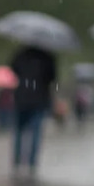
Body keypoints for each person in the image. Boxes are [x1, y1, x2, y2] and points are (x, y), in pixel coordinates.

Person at [10, 44, 57, 172]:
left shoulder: (21, 54)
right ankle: (32, 162)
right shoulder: (48, 57)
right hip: (39, 99)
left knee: (19, 131)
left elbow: (13, 70)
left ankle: (17, 160)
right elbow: (52, 77)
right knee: (36, 131)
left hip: (22, 98)